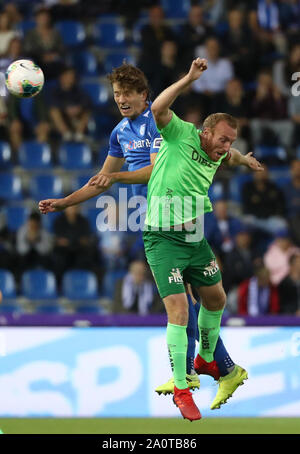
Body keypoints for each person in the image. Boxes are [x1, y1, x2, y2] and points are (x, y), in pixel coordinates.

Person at [39, 63, 242, 410]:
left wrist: (117, 180)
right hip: (159, 219)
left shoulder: (157, 123)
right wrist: (64, 202)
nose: (121, 99)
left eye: (128, 93)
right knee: (187, 306)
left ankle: (205, 371)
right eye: (117, 94)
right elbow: (102, 177)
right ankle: (218, 369)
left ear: (143, 95)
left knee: (195, 303)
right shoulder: (119, 132)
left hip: (183, 218)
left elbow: (153, 169)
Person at [84, 59, 264, 420]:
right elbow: (158, 108)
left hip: (194, 237)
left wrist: (246, 161)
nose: (226, 146)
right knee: (180, 311)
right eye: (223, 139)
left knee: (216, 299)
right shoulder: (179, 133)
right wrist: (189, 78)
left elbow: (232, 157)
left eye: (231, 141)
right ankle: (183, 387)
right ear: (206, 132)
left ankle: (209, 362)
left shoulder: (219, 152)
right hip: (161, 237)